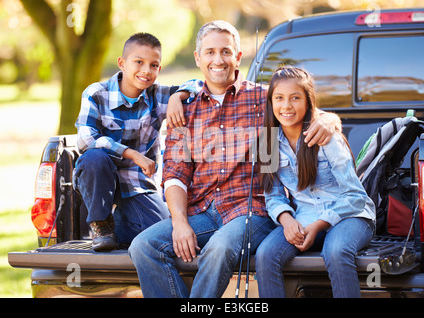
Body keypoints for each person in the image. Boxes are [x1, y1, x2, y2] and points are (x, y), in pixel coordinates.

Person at [128, 21, 341, 298]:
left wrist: (329, 120)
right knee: (143, 246)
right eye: (210, 52)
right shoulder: (185, 110)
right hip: (202, 212)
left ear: (238, 57)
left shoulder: (264, 98)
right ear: (198, 58)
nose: (218, 60)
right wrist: (180, 223)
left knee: (218, 248)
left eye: (226, 52)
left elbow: (308, 110)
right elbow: (175, 174)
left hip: (252, 211)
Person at [255, 66, 376, 298]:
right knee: (266, 254)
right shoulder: (266, 142)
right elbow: (274, 195)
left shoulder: (325, 135)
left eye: (295, 98)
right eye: (279, 98)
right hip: (304, 218)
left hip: (351, 216)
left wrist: (319, 225)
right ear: (270, 102)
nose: (286, 106)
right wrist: (287, 220)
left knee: (336, 251)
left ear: (308, 102)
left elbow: (355, 196)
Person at [74, 33, 200, 251]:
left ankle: (117, 227)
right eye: (139, 62)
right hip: (101, 181)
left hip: (138, 184)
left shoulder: (159, 95)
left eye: (153, 65)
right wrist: (131, 153)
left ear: (159, 69)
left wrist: (177, 96)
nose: (146, 71)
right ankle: (101, 224)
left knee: (163, 235)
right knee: (94, 157)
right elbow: (86, 140)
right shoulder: (96, 93)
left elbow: (199, 86)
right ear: (122, 63)